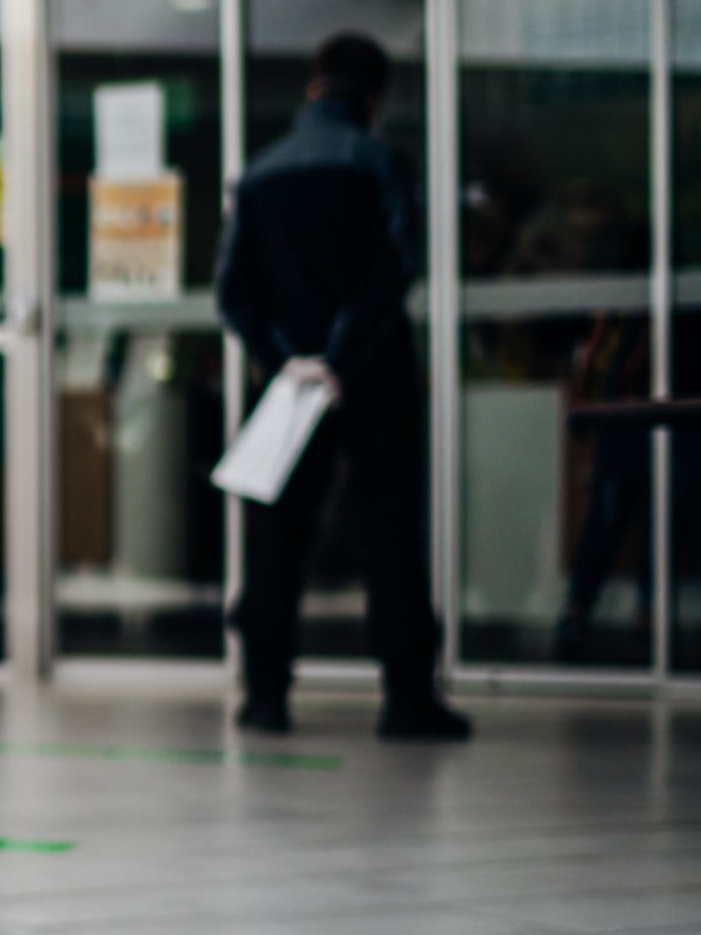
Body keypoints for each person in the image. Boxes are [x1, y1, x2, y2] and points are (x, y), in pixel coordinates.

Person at [216, 32, 471, 740]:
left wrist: (290, 361)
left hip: (290, 385)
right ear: (375, 98)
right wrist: (340, 357)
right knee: (390, 529)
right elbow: (393, 270)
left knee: (279, 536)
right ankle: (407, 699)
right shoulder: (380, 162)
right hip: (373, 375)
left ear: (313, 87)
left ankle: (265, 694)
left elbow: (234, 292)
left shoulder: (259, 174)